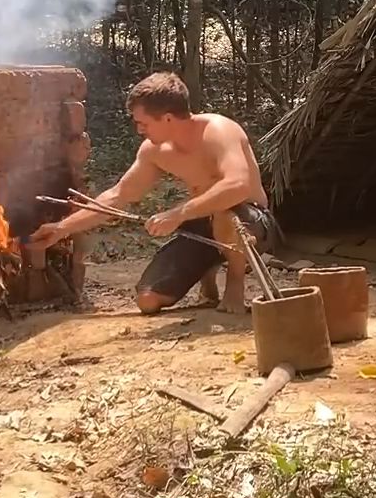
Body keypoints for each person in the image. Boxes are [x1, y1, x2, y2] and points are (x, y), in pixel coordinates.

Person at [28, 72, 277, 315]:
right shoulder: (154, 151)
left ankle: (234, 285)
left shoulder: (219, 131)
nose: (139, 130)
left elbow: (238, 185)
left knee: (225, 211)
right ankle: (206, 273)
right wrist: (61, 229)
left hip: (251, 224)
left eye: (143, 123)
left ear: (167, 119)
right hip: (204, 229)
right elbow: (117, 195)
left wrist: (177, 214)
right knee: (147, 300)